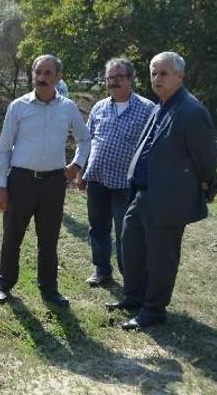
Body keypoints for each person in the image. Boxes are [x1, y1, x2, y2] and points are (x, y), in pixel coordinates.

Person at [109, 52, 217, 330]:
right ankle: (134, 297)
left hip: (169, 199)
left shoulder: (192, 111)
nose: (157, 78)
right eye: (154, 73)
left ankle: (154, 310)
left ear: (180, 76)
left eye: (164, 73)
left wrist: (206, 183)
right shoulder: (162, 105)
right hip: (143, 194)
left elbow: (207, 158)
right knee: (129, 244)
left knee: (161, 258)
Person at [0, 54, 91, 307]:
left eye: (48, 73)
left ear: (58, 77)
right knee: (12, 235)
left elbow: (85, 138)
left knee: (49, 238)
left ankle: (49, 289)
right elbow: (3, 148)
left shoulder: (67, 107)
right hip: (21, 181)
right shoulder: (18, 106)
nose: (42, 78)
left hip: (53, 183)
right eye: (38, 72)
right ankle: (4, 284)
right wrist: (0, 185)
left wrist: (77, 164)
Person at [77, 59, 155, 286]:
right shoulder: (99, 107)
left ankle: (131, 277)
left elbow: (152, 148)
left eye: (119, 77)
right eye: (110, 78)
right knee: (98, 228)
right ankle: (102, 271)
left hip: (126, 185)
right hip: (98, 180)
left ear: (131, 79)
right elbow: (87, 141)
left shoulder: (148, 109)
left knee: (126, 235)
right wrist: (81, 171)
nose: (113, 82)